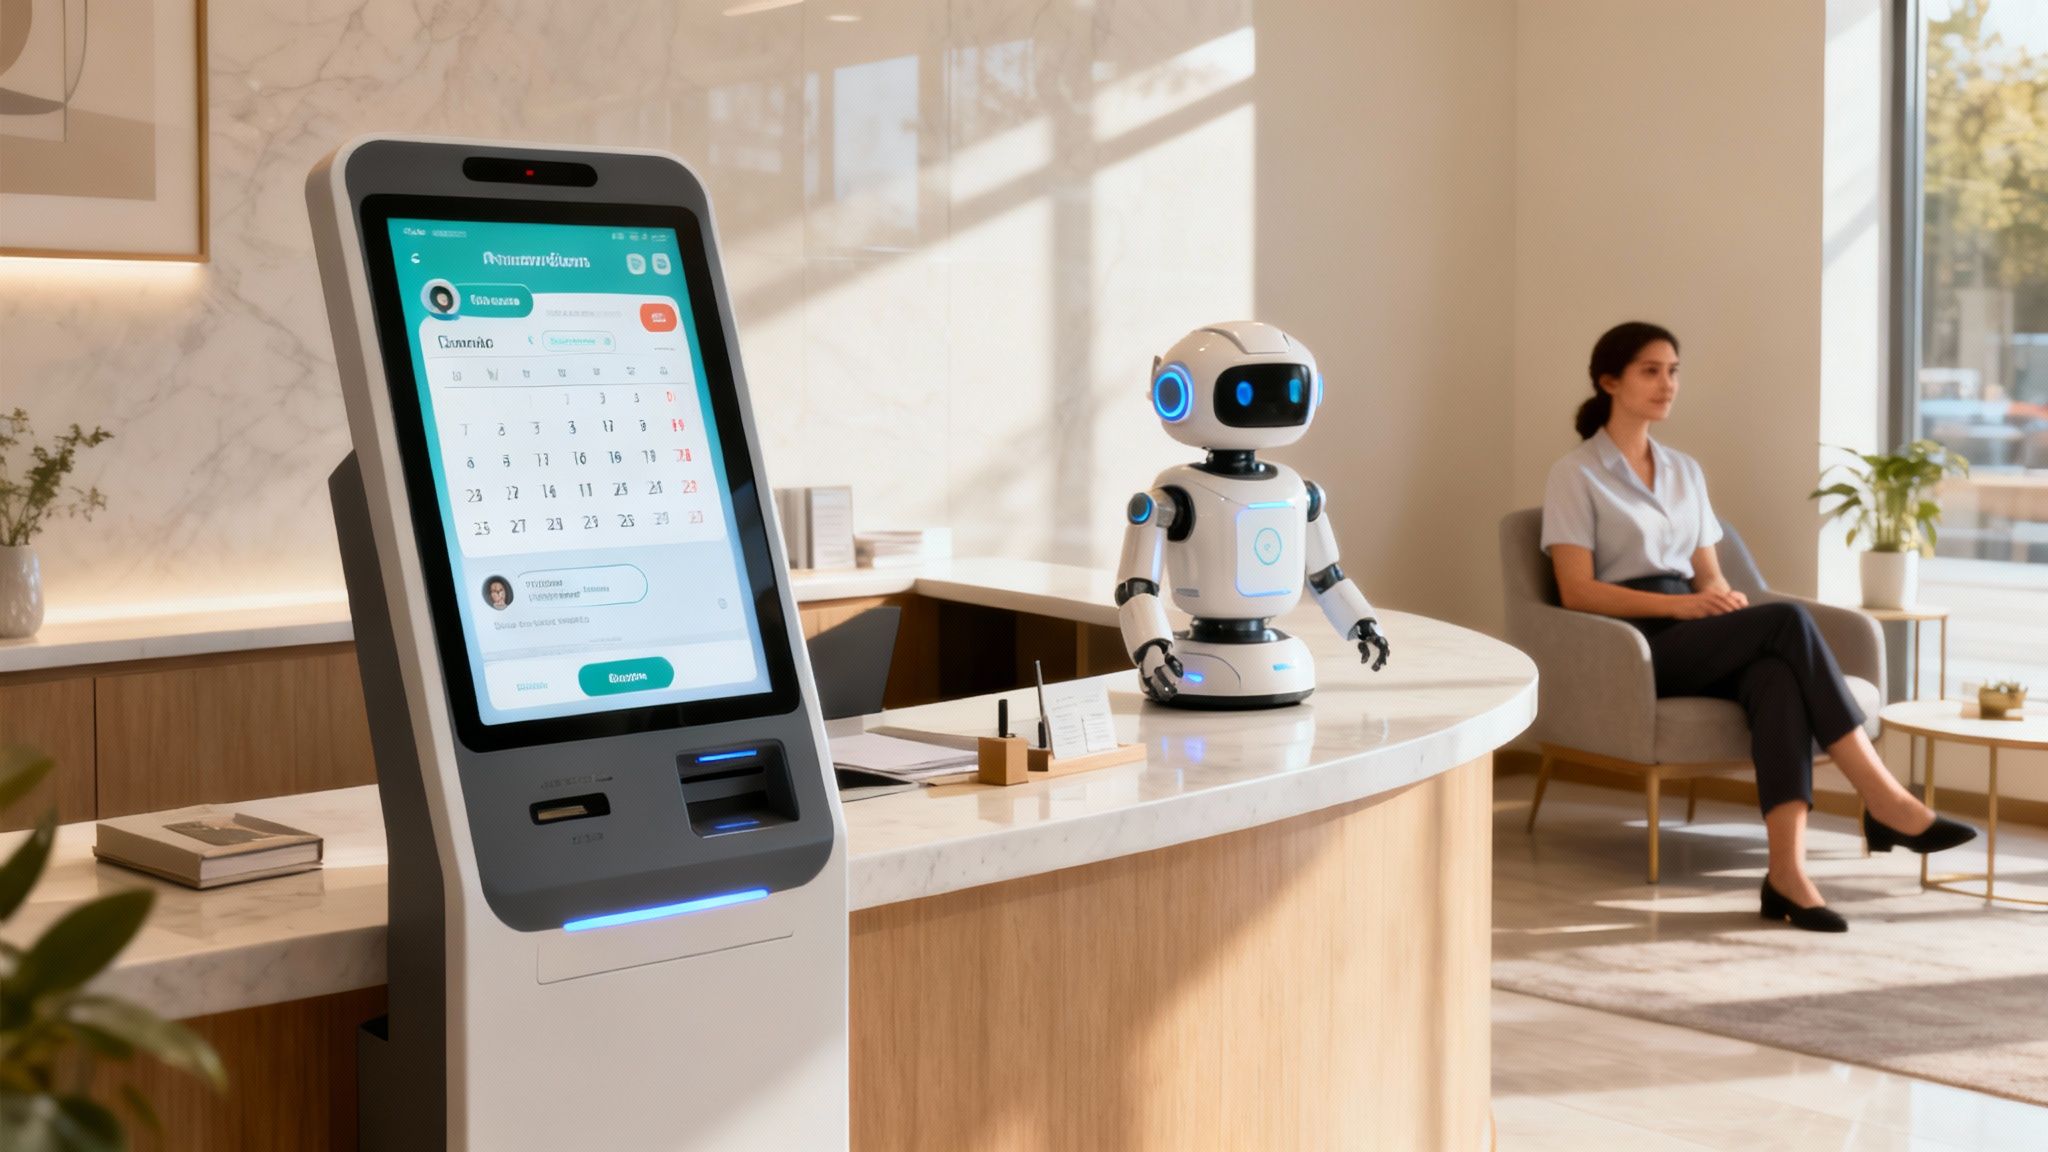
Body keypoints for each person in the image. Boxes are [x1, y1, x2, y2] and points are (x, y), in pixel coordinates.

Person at [1541, 321, 1976, 932]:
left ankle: (1787, 875)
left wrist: (1720, 600)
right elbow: (1576, 590)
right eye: (1650, 371)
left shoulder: (1684, 471)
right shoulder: (1576, 473)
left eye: (1674, 371)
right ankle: (1883, 799)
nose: (1668, 384)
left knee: (1777, 676)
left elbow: (1708, 575)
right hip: (1635, 643)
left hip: (1694, 626)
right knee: (1788, 620)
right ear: (1609, 381)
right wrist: (1682, 610)